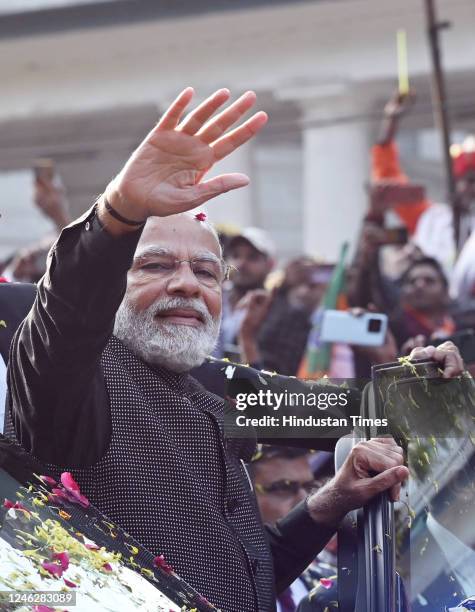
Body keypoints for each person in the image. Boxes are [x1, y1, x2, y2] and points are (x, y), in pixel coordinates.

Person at [6, 87, 458, 612]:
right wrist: (118, 213)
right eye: (155, 265)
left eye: (205, 272)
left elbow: (237, 582)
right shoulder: (69, 379)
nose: (186, 285)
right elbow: (65, 319)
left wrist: (419, 384)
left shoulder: (215, 385)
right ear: (112, 284)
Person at [217, 226, 275, 359]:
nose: (241, 264)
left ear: (270, 265)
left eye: (252, 257)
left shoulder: (277, 310)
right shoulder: (214, 296)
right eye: (236, 255)